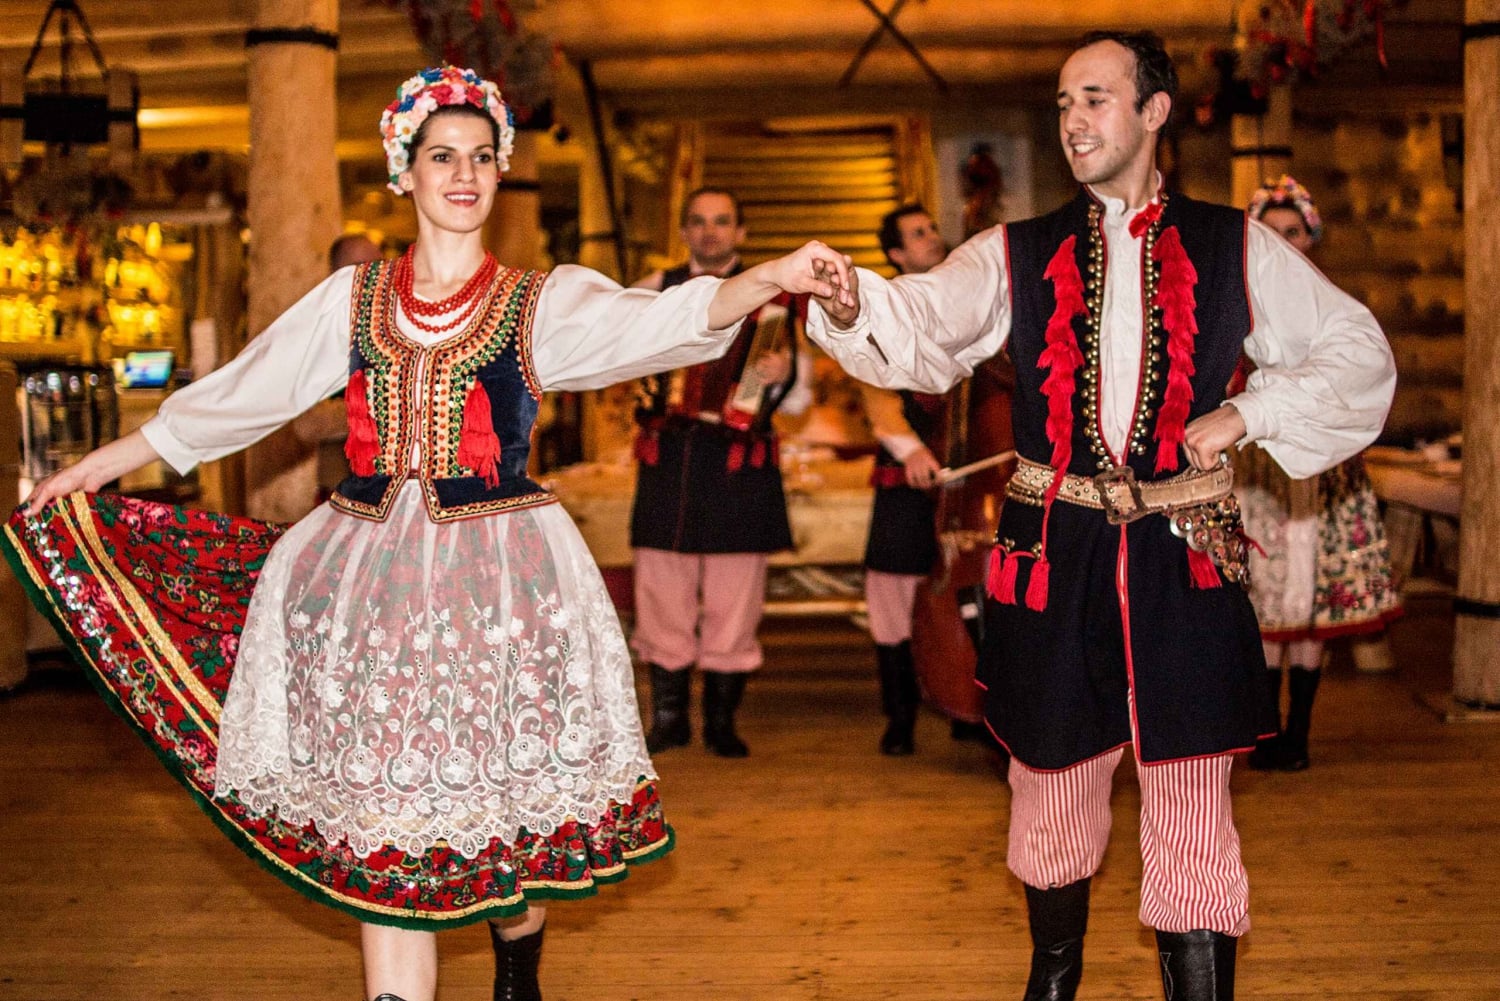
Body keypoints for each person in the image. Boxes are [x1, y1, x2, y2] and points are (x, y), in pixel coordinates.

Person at [4, 67, 852, 1001]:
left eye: (481, 157)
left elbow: (665, 321)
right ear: (403, 171)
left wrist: (768, 277)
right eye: (442, 156)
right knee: (384, 823)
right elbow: (244, 393)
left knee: (504, 819)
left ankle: (517, 967)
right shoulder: (354, 299)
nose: (464, 174)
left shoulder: (539, 302)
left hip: (502, 587)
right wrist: (102, 464)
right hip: (365, 584)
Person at [805, 31, 1394, 1001]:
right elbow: (924, 324)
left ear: (1154, 111)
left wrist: (1251, 412)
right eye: (1063, 103)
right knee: (1050, 778)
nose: (1074, 120)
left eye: (1095, 98)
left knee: (1193, 788)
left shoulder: (1236, 245)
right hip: (1055, 546)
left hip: (1184, 548)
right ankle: (1054, 978)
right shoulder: (1017, 250)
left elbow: (1356, 350)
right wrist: (849, 302)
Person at [628, 187, 812, 759]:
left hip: (738, 464)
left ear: (740, 232)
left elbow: (800, 402)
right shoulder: (652, 289)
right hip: (670, 459)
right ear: (684, 231)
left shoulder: (775, 302)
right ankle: (669, 720)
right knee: (661, 593)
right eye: (699, 221)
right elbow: (615, 357)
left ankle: (720, 723)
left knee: (736, 598)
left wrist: (781, 375)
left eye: (722, 221)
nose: (710, 231)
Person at [1240, 175, 1402, 771]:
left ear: (1310, 238)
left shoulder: (1333, 307)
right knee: (1263, 592)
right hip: (1262, 465)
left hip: (1323, 465)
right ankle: (1264, 729)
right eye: (1271, 233)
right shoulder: (1244, 305)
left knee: (1313, 601)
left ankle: (1299, 735)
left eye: (1293, 232)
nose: (1284, 243)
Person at [861, 204, 966, 755]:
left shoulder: (966, 300)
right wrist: (913, 450)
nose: (932, 237)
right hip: (906, 480)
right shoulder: (880, 311)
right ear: (896, 254)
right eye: (917, 234)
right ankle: (899, 716)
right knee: (892, 599)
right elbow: (877, 397)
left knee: (969, 589)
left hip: (965, 481)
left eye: (932, 229)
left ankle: (970, 704)